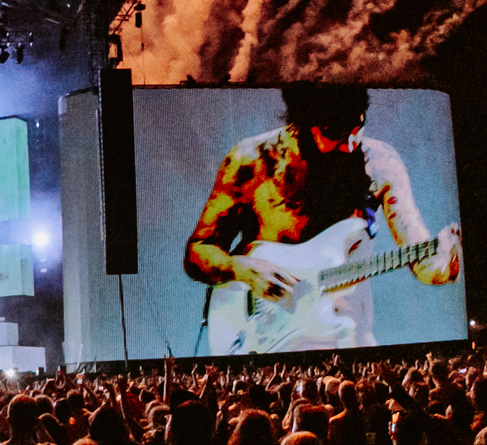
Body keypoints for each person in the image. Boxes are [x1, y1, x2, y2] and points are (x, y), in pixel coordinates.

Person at [183, 86, 463, 352]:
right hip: (265, 338)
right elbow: (198, 251)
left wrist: (443, 264)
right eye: (334, 133)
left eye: (358, 126)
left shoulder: (379, 162)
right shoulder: (253, 160)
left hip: (347, 337)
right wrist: (240, 268)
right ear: (302, 122)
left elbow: (420, 258)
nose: (351, 143)